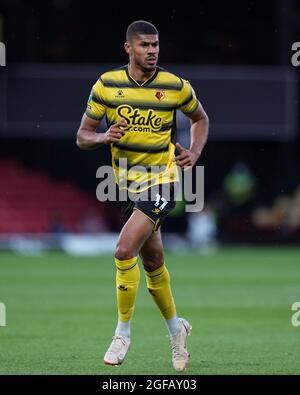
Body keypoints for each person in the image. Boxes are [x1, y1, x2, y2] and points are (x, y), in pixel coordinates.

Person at [76, 20, 209, 372]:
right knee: (152, 263)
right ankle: (176, 329)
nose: (152, 51)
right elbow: (82, 136)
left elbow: (200, 118)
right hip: (126, 184)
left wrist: (194, 152)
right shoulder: (107, 85)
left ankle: (122, 333)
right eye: (145, 45)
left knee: (123, 249)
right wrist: (104, 138)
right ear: (128, 49)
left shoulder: (175, 86)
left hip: (163, 179)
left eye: (156, 45)